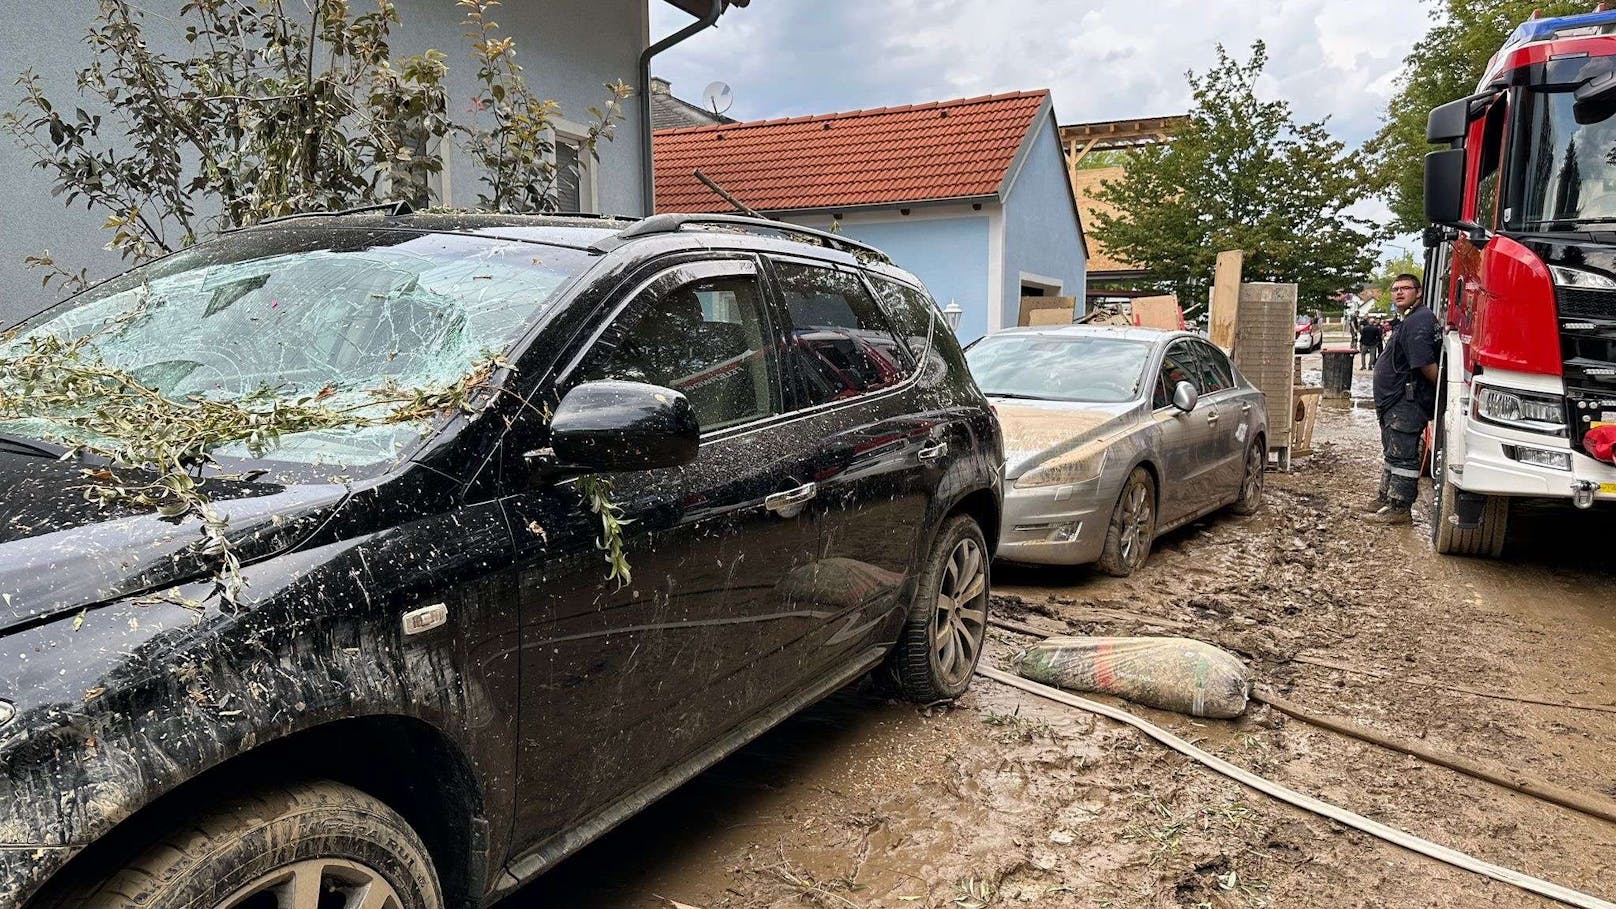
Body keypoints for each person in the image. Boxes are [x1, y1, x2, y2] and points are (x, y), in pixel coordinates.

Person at [1364, 273, 1441, 524]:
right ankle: (1385, 498)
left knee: (1404, 454)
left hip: (1407, 400)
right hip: (1393, 400)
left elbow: (1426, 364)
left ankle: (1400, 508)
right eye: (1395, 289)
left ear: (1418, 292)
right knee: (1392, 451)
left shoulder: (1419, 321)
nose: (1398, 293)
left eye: (1405, 288)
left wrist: (1442, 392)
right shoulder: (1410, 319)